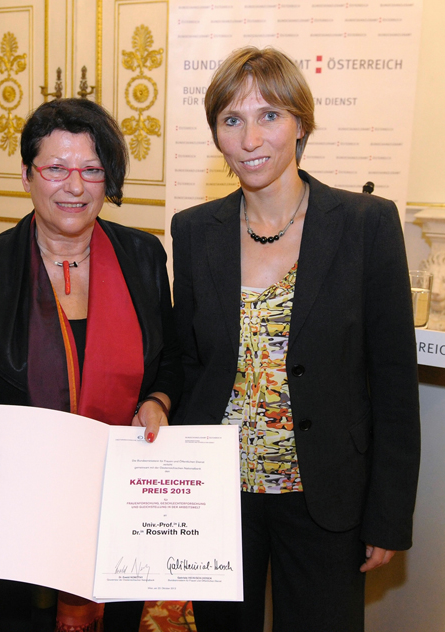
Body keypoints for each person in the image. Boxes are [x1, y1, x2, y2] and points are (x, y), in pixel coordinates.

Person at [171, 46, 420, 632]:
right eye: (232, 120)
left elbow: (393, 385)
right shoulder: (193, 231)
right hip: (218, 495)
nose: (251, 138)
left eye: (270, 116)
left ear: (301, 124)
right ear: (216, 135)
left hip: (325, 494)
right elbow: (187, 362)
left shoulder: (366, 225)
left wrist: (387, 517)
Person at [0, 98, 182, 631]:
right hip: (21, 497)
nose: (74, 186)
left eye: (92, 170)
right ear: (26, 175)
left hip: (123, 494)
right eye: (56, 168)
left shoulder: (143, 257)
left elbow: (171, 363)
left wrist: (159, 400)